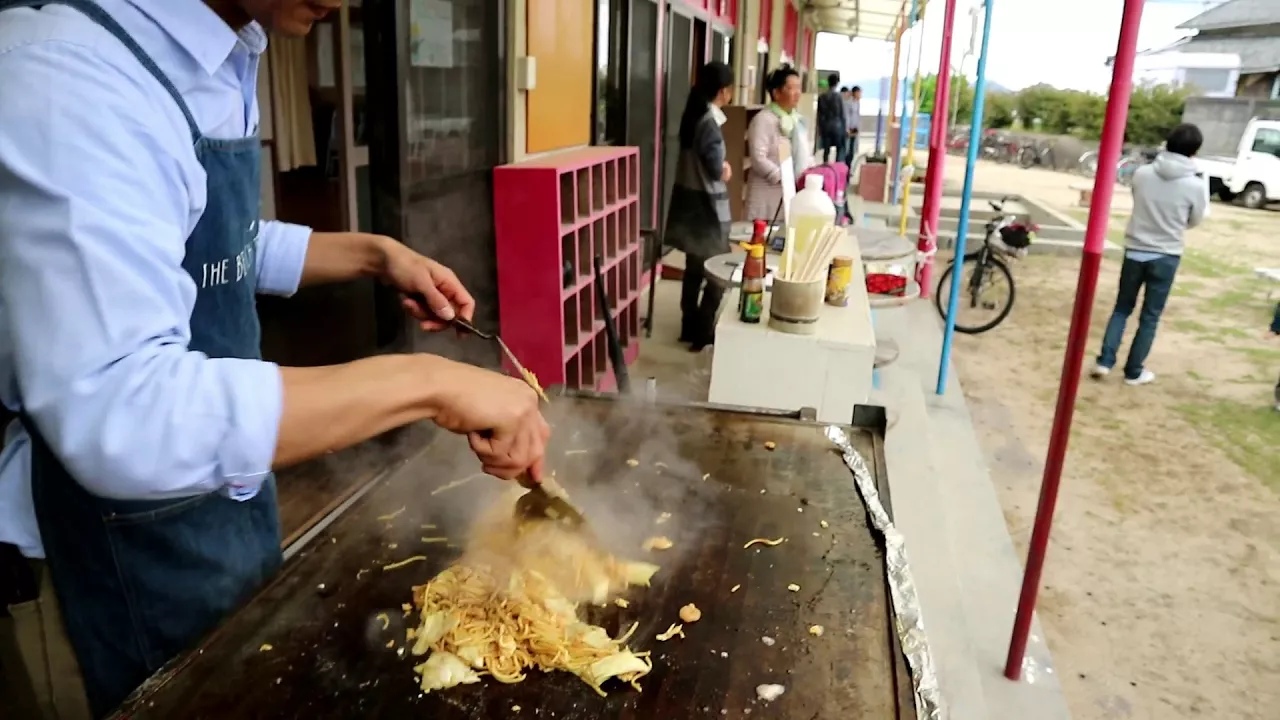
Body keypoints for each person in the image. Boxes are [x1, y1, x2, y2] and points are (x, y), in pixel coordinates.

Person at [0, 1, 550, 717]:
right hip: (100, 552)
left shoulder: (226, 46)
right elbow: (122, 412)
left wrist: (374, 255)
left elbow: (208, 240)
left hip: (219, 499)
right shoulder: (64, 76)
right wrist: (431, 385)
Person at [1091, 123, 1209, 386]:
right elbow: (1195, 219)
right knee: (1150, 316)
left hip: (1135, 249)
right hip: (1166, 254)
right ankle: (1133, 371)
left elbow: (1138, 199)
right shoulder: (1196, 184)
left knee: (1122, 308)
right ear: (1194, 151)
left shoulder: (1142, 174)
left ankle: (1105, 361)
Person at [664, 62, 734, 352]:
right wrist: (726, 169)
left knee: (694, 267)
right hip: (708, 208)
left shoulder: (691, 116)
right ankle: (703, 331)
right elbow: (717, 167)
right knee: (719, 271)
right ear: (722, 91)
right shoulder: (709, 123)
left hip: (689, 205)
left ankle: (688, 326)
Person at [745, 66, 811, 222]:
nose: (797, 93)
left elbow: (805, 153)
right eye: (791, 88)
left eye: (798, 88)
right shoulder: (763, 120)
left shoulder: (797, 121)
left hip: (789, 193)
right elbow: (758, 158)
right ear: (776, 93)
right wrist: (784, 178)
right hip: (766, 193)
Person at [815, 72, 846, 165]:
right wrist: (844, 128)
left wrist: (820, 128)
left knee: (826, 149)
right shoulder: (838, 97)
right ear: (837, 83)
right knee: (839, 148)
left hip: (825, 126)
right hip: (837, 126)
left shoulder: (822, 96)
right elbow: (841, 114)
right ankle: (837, 167)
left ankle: (825, 165)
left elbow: (819, 114)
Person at [843, 86, 862, 172]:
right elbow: (847, 116)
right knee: (847, 150)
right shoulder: (848, 103)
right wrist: (847, 128)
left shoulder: (857, 103)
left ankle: (849, 168)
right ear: (854, 93)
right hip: (849, 129)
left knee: (852, 150)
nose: (860, 95)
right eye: (859, 93)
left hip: (855, 128)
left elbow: (857, 116)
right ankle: (845, 168)